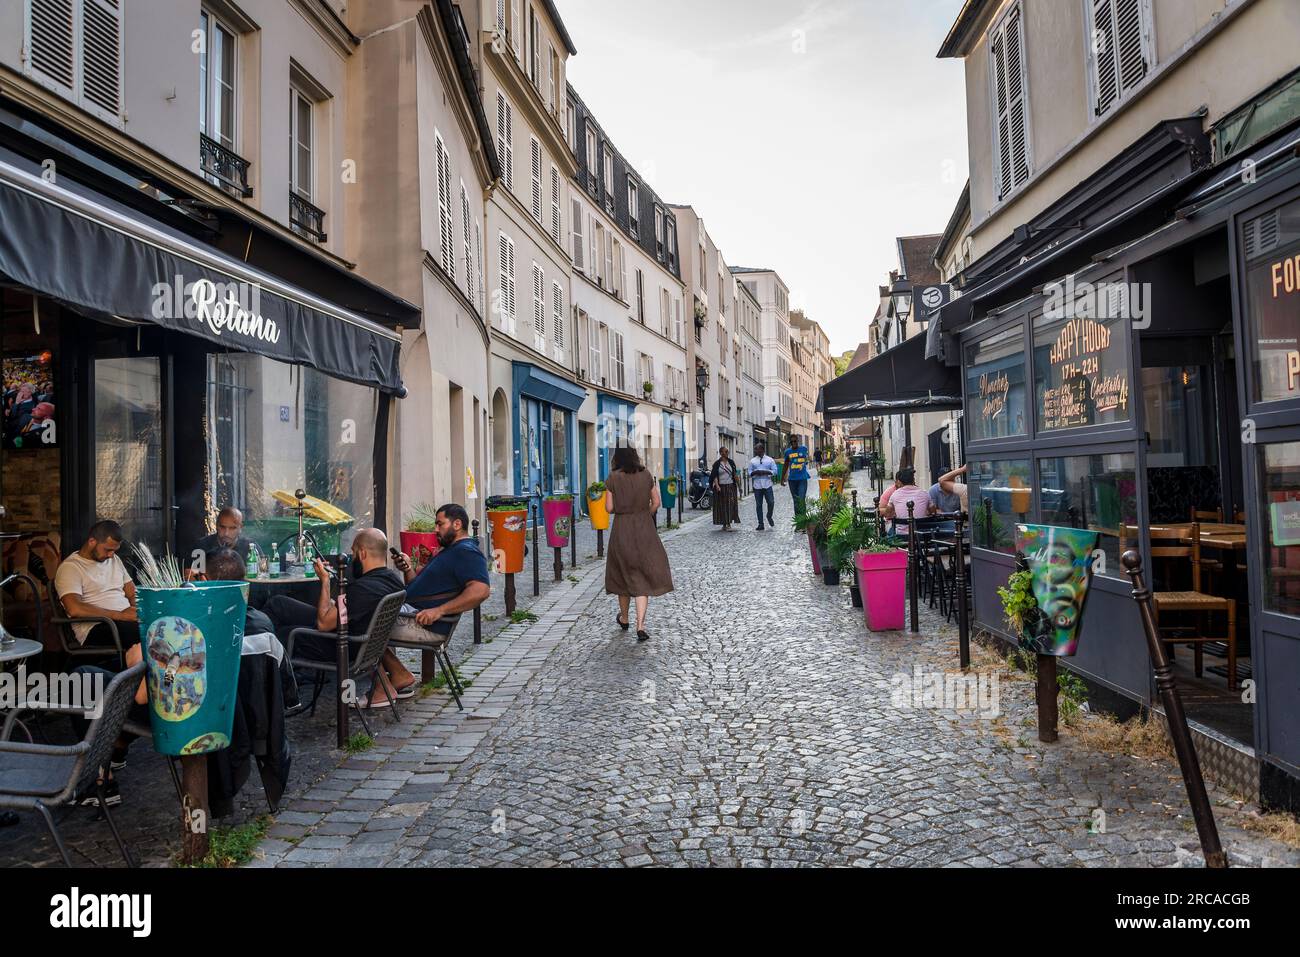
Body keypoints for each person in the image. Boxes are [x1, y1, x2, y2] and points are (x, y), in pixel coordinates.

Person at [265, 527, 413, 708]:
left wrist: (325, 582)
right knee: (278, 603)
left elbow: (322, 624)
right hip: (359, 638)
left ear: (363, 553)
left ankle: (270, 692)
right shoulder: (392, 580)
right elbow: (345, 610)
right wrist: (335, 603)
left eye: (353, 552)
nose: (351, 557)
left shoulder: (364, 589)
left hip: (343, 645)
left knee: (284, 633)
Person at [604, 446, 673, 642]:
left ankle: (624, 618)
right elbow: (656, 502)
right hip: (644, 530)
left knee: (621, 574)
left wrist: (623, 508)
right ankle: (640, 625)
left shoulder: (613, 478)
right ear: (635, 457)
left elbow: (609, 508)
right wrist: (645, 514)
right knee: (641, 575)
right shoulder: (646, 475)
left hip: (622, 530)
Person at [392, 504, 491, 636]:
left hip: (423, 621)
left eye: (440, 524)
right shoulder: (451, 550)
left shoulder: (466, 551)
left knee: (365, 626)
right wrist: (407, 568)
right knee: (368, 621)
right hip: (413, 613)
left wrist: (438, 611)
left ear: (457, 524)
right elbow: (419, 588)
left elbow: (481, 590)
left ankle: (391, 658)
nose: (436, 529)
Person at [53, 519, 140, 658]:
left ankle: (171, 676)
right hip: (97, 628)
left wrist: (140, 612)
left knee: (164, 625)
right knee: (146, 632)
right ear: (92, 541)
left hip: (123, 623)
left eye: (115, 550)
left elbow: (132, 592)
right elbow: (74, 608)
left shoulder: (114, 560)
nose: (111, 555)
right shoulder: (71, 567)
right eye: (108, 549)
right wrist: (120, 615)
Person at [884, 467, 936, 534]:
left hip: (901, 535)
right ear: (913, 480)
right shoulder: (924, 493)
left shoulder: (894, 495)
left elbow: (887, 514)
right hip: (921, 534)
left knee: (888, 529)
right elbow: (933, 512)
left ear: (899, 482)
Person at [748, 441, 778, 531]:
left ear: (762, 449)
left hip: (767, 485)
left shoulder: (770, 460)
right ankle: (761, 524)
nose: (755, 450)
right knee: (758, 505)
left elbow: (775, 471)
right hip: (757, 486)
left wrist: (766, 472)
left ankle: (769, 516)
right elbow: (749, 472)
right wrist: (755, 472)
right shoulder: (752, 461)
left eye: (756, 449)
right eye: (755, 449)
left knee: (771, 502)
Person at [709, 447, 741, 531]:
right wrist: (717, 486)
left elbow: (735, 475)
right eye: (725, 451)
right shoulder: (717, 464)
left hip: (730, 486)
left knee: (730, 505)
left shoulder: (731, 462)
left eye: (727, 451)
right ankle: (724, 524)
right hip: (721, 487)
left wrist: (739, 486)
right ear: (721, 453)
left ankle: (728, 523)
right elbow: (714, 476)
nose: (727, 453)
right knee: (722, 506)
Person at [782, 435, 811, 514]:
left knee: (801, 499)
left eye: (795, 441)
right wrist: (782, 478)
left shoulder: (804, 449)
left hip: (802, 478)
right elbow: (785, 465)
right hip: (792, 480)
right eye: (791, 442)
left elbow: (806, 459)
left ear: (798, 441)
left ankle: (803, 520)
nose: (793, 443)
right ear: (790, 443)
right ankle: (798, 521)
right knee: (796, 500)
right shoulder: (787, 452)